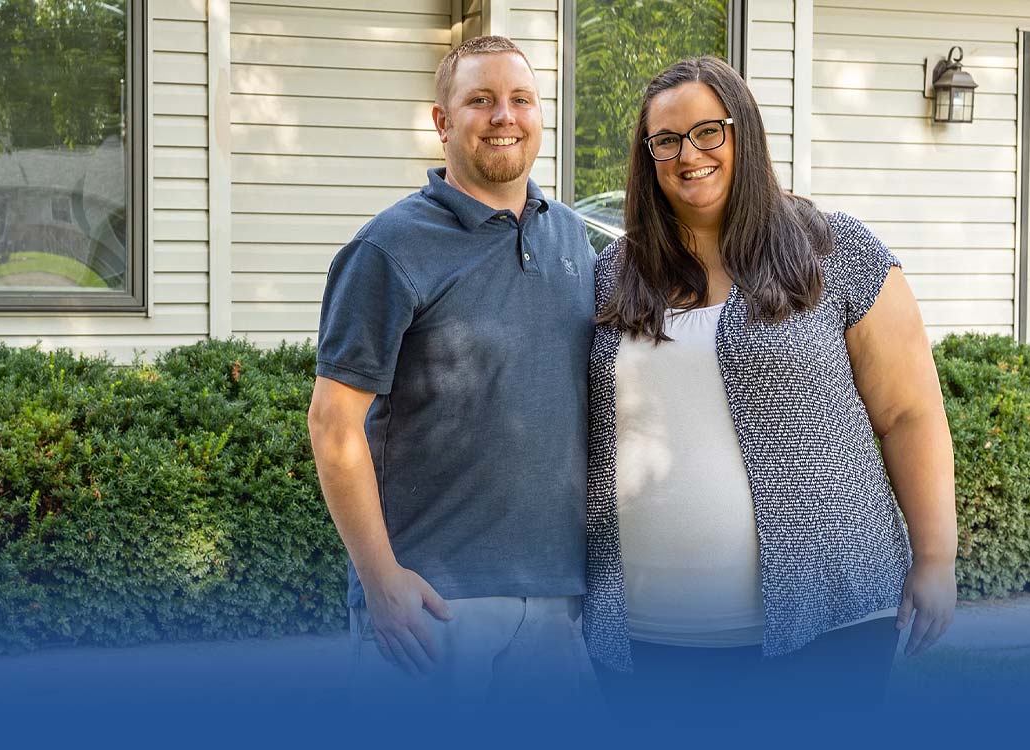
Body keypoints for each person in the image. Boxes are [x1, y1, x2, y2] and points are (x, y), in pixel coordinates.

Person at [583, 56, 958, 715]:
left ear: (744, 133)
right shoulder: (615, 269)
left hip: (827, 626)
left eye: (708, 131)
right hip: (646, 636)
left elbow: (908, 413)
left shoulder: (834, 249)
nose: (687, 154)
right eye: (665, 140)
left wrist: (935, 557)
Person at [307, 35, 600, 704]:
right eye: (481, 100)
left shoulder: (570, 238)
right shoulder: (387, 247)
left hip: (557, 597)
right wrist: (380, 581)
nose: (505, 116)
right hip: (432, 600)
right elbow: (332, 425)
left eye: (520, 99)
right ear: (443, 122)